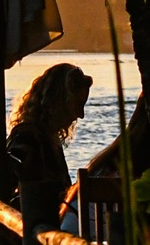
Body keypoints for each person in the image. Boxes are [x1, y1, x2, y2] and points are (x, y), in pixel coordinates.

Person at [8, 62, 92, 228]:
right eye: (77, 105)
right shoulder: (28, 138)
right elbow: (11, 182)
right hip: (31, 229)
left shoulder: (48, 138)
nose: (80, 115)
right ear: (60, 101)